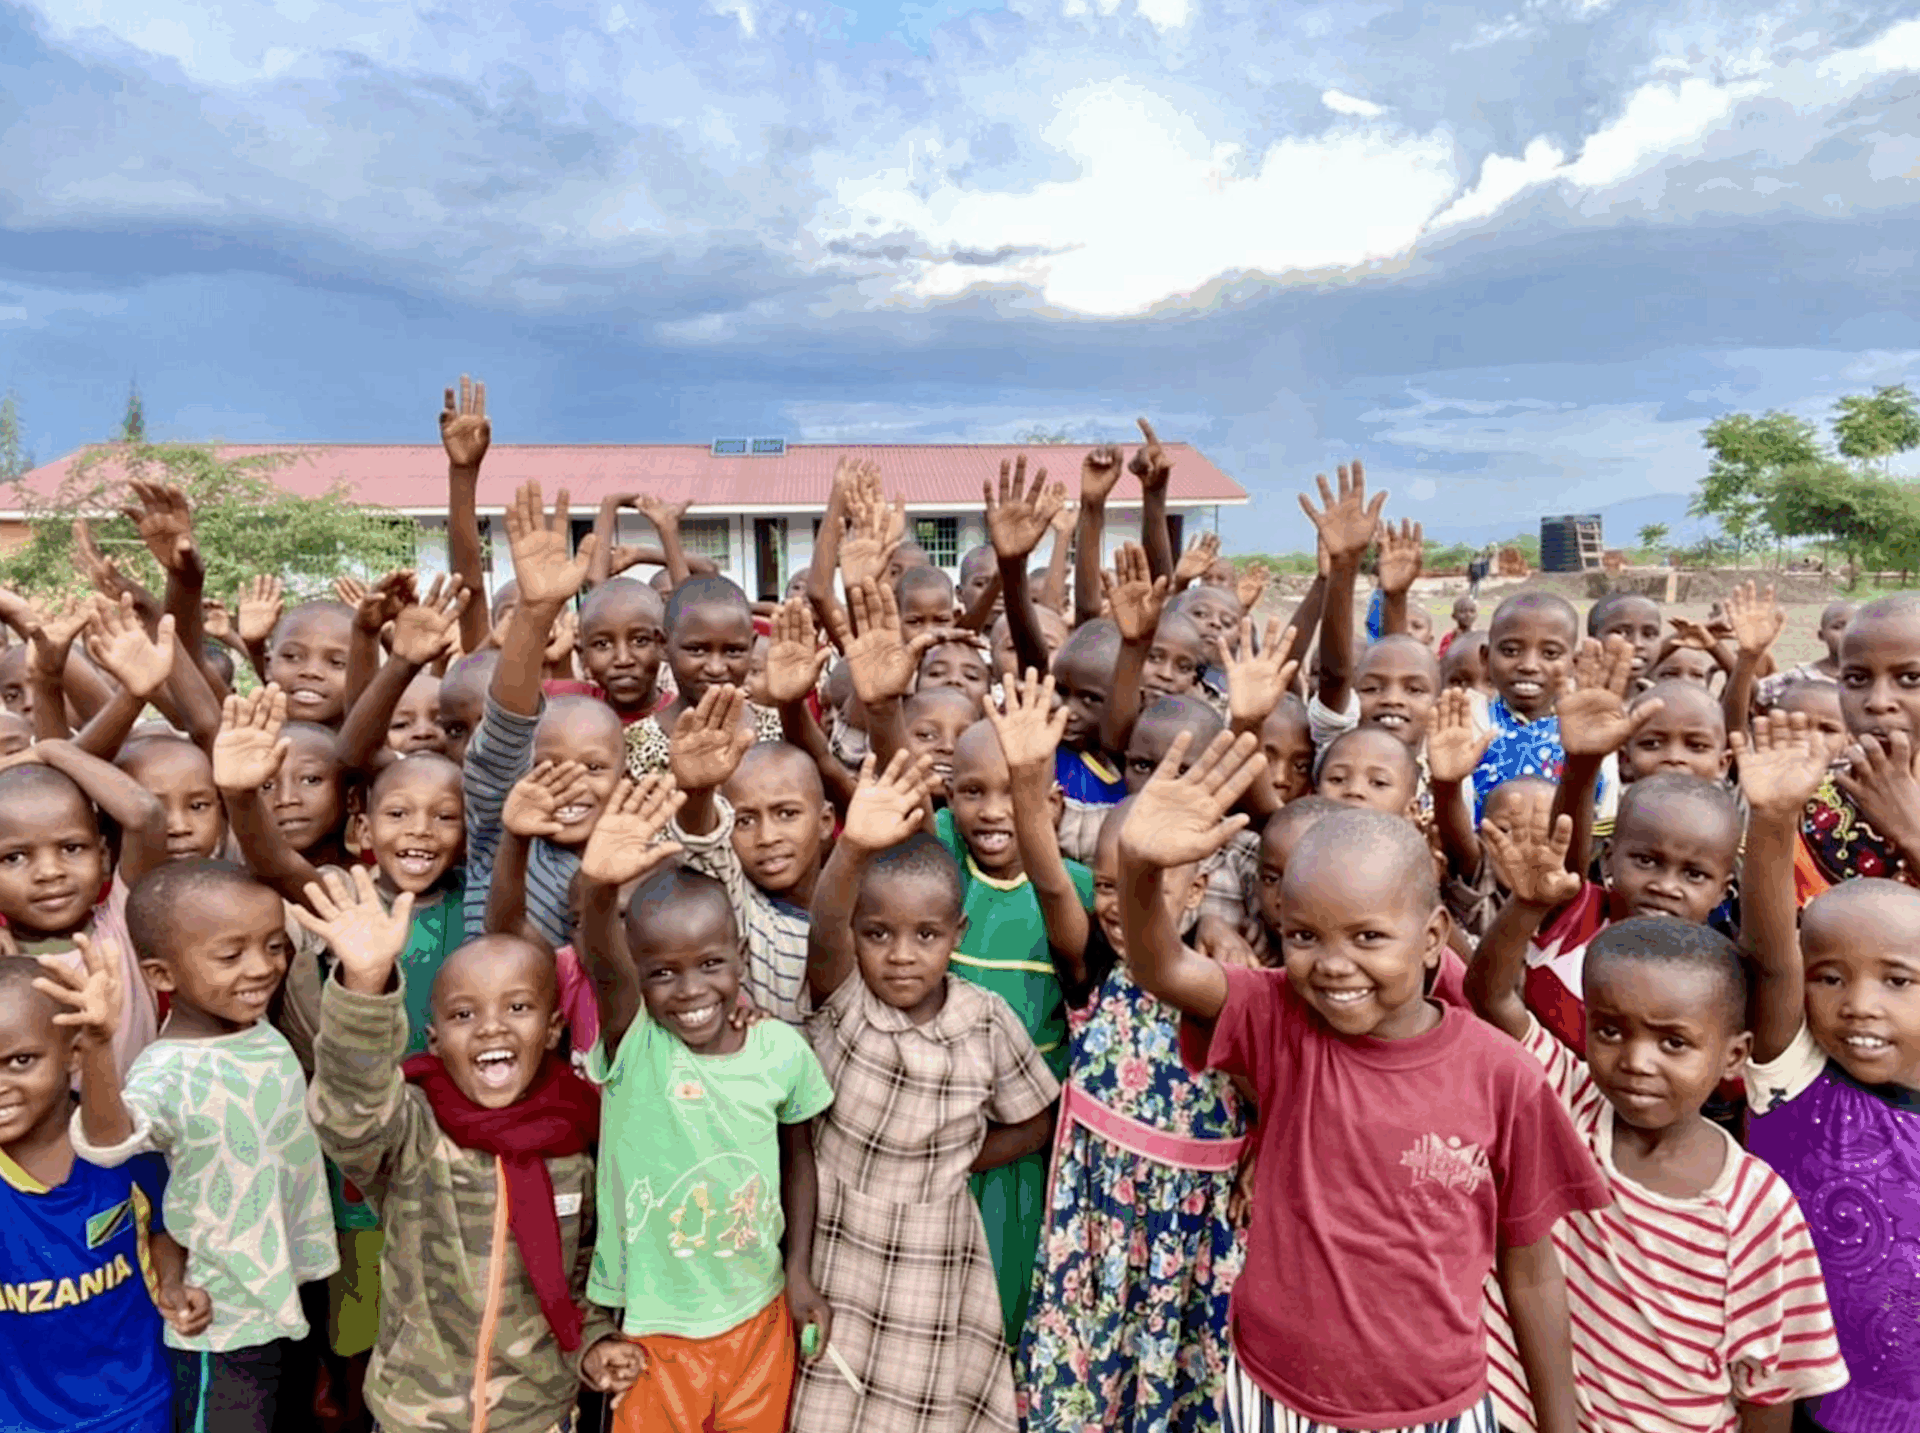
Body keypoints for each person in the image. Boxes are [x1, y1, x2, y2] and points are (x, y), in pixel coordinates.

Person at [1120, 729, 1609, 1433]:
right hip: (1273, 1394)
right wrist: (1140, 867)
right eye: (1304, 935)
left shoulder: (1503, 1075)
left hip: (1435, 1405)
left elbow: (1530, 1268)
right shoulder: (1280, 1019)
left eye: (1369, 937)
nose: (1333, 964)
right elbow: (1163, 967)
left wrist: (1561, 1424)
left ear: (1434, 936)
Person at [1468, 786, 1847, 1431]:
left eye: (1674, 1043)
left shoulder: (1755, 1207)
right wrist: (1526, 906)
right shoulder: (1571, 1101)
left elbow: (1768, 1388)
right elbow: (1491, 996)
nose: (1637, 1061)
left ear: (1734, 1058)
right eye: (1611, 1031)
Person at [791, 750, 1059, 1433]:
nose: (902, 954)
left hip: (934, 1252)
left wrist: (959, 1156)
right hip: (838, 1241)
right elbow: (825, 929)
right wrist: (850, 848)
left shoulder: (983, 1018)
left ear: (956, 936)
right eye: (878, 934)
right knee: (824, 1399)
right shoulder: (847, 1000)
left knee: (924, 1407)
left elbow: (1036, 1119)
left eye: (926, 935)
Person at [574, 778, 835, 1433]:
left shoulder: (780, 1049)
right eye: (661, 971)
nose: (690, 989)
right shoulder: (637, 1046)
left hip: (758, 1311)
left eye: (711, 963)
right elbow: (605, 961)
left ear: (741, 960)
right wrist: (600, 886)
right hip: (655, 1324)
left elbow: (797, 1160)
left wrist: (798, 1273)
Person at [301, 866, 600, 1433]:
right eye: (464, 1014)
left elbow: (588, 1273)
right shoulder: (412, 1130)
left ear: (554, 1028)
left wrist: (597, 1342)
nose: (491, 1028)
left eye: (518, 1008)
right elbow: (348, 1111)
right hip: (416, 1414)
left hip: (538, 1416)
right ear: (435, 1040)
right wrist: (365, 984)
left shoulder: (578, 1138)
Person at [63, 860, 338, 1432]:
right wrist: (97, 1046)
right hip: (221, 1313)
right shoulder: (165, 1071)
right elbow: (109, 1144)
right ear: (163, 975)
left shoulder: (260, 1031)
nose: (262, 967)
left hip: (289, 1288)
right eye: (230, 955)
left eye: (272, 945)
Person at [1019, 797, 1248, 1432]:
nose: (1122, 903)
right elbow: (1048, 881)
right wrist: (1026, 781)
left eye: (1149, 881)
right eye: (1110, 884)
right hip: (1094, 1246)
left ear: (1198, 889)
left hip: (1190, 1250)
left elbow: (1268, 1097)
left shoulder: (1225, 990)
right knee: (1083, 1394)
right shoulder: (1095, 970)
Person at [1739, 709, 1920, 1433]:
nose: (1859, 1006)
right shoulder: (1798, 1094)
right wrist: (1774, 821)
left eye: (1898, 980)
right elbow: (1770, 955)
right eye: (1831, 978)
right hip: (1822, 1408)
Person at [1, 956, 206, 1433]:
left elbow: (159, 1226)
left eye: (21, 1060)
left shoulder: (126, 1150)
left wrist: (172, 1285)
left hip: (135, 1404)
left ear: (71, 1054)